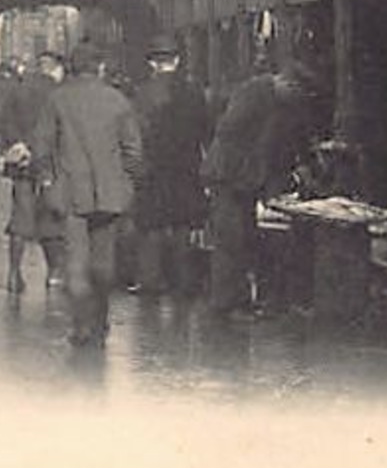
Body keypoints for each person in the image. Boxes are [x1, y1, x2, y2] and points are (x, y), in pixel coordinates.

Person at [29, 42, 144, 348]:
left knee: (76, 262)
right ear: (100, 67)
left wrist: (48, 181)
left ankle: (81, 326)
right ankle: (101, 320)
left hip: (69, 193)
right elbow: (133, 151)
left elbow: (40, 148)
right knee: (104, 262)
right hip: (110, 193)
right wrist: (127, 184)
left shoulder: (58, 99)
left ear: (72, 68)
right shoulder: (117, 100)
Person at [202, 57, 314, 320]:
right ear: (285, 82)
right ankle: (226, 304)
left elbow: (288, 141)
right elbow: (228, 130)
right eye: (296, 92)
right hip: (227, 176)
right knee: (231, 239)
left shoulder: (284, 103)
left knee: (245, 237)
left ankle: (240, 301)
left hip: (246, 181)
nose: (297, 100)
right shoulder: (253, 92)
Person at [131, 34, 212, 297]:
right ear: (176, 61)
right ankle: (184, 282)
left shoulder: (142, 93)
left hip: (152, 169)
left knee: (151, 227)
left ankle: (150, 281)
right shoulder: (195, 91)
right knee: (183, 226)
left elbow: (135, 134)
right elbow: (206, 131)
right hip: (186, 169)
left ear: (152, 63)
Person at [4, 50, 67, 293]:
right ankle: (54, 273)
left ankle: (13, 273)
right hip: (50, 164)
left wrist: (18, 144)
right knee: (51, 219)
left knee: (21, 218)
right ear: (55, 68)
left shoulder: (19, 90)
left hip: (22, 163)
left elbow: (4, 121)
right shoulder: (59, 94)